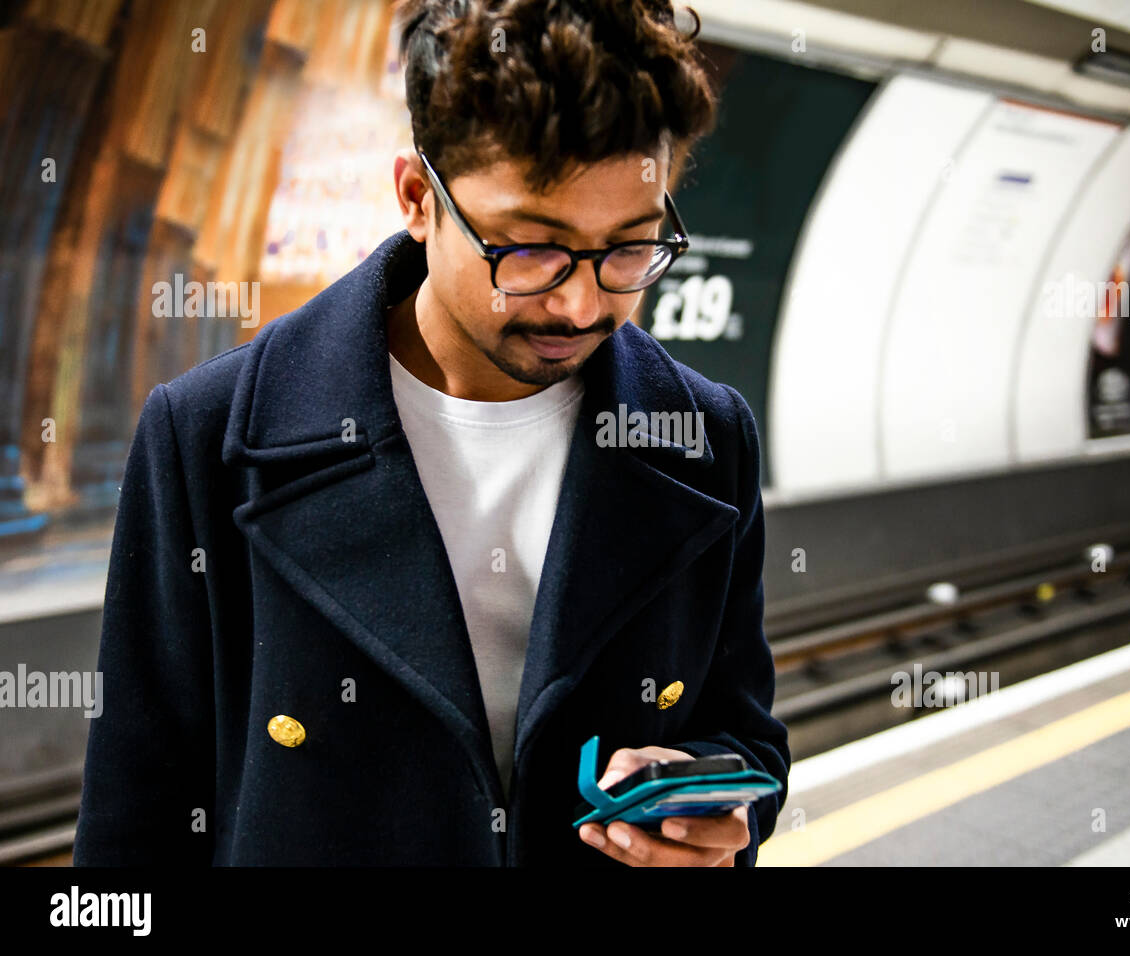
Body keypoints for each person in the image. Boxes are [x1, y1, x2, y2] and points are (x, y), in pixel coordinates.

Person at [72, 0, 789, 867]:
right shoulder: (208, 438)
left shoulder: (706, 438)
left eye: (630, 248)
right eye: (531, 248)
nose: (581, 302)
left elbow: (745, 738)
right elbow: (136, 820)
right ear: (418, 196)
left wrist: (713, 822)